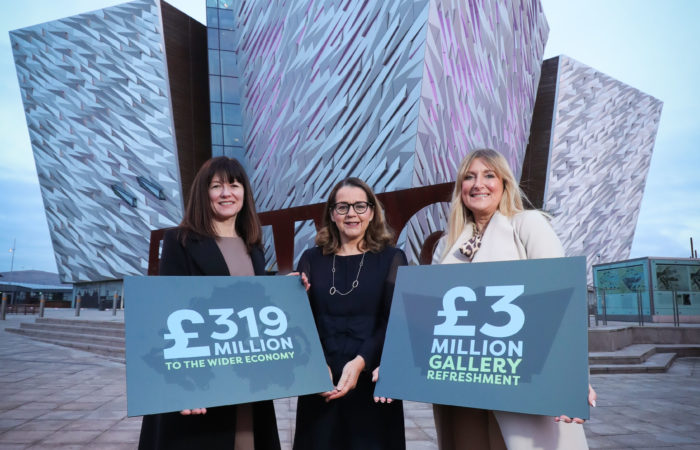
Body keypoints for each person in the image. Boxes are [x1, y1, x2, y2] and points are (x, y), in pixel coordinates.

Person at [434, 149, 597, 450]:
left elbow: (560, 301)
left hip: (522, 378)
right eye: (469, 177)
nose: (478, 184)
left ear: (504, 183)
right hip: (461, 384)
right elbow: (432, 313)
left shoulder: (528, 224)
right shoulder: (447, 244)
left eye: (488, 175)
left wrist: (571, 377)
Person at [138, 157, 281, 450]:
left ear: (244, 193)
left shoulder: (253, 247)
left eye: (234, 185)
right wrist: (182, 386)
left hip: (247, 378)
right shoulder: (179, 240)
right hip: (200, 384)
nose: (226, 193)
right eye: (216, 186)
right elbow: (168, 317)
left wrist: (289, 288)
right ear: (203, 195)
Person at [293, 177, 406, 450]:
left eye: (359, 206)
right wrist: (316, 366)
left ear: (371, 212)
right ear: (332, 214)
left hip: (371, 380)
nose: (351, 213)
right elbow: (300, 322)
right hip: (322, 379)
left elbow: (392, 321)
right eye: (342, 207)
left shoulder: (392, 258)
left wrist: (360, 362)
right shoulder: (311, 258)